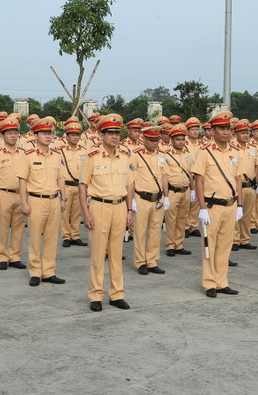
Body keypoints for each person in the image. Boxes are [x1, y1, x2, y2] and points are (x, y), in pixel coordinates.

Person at [79, 114, 134, 311]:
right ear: (101, 134)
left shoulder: (125, 157)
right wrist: (86, 213)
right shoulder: (92, 157)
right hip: (99, 206)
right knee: (98, 253)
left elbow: (129, 185)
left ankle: (116, 294)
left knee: (117, 254)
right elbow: (83, 186)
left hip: (119, 207)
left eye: (117, 133)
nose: (114, 136)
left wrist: (129, 209)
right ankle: (95, 295)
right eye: (110, 133)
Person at [192, 111, 242, 297]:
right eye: (221, 128)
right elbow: (199, 180)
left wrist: (240, 205)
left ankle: (222, 282)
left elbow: (238, 180)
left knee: (225, 246)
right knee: (209, 245)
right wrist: (202, 207)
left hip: (230, 205)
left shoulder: (235, 152)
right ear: (212, 131)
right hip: (211, 207)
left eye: (228, 128)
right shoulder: (205, 152)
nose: (226, 132)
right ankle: (209, 282)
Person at [18, 116, 68, 287]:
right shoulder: (28, 156)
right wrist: (24, 202)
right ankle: (35, 271)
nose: (48, 136)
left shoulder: (56, 155)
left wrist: (63, 197)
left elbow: (61, 178)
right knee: (34, 238)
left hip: (54, 200)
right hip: (36, 200)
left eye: (51, 133)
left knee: (52, 238)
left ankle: (49, 271)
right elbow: (22, 181)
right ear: (36, 135)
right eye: (44, 133)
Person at [0, 115, 27, 271]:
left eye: (15, 133)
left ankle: (15, 256)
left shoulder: (24, 153)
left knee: (18, 227)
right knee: (3, 227)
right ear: (2, 136)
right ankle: (2, 257)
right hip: (4, 194)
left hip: (20, 194)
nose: (13, 136)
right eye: (9, 133)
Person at [130, 126, 169, 274]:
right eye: (151, 140)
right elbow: (131, 178)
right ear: (144, 138)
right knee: (140, 232)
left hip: (157, 198)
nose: (154, 143)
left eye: (156, 140)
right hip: (141, 197)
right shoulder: (135, 155)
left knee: (155, 231)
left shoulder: (162, 155)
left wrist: (167, 196)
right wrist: (132, 198)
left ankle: (152, 260)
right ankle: (140, 262)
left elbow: (165, 176)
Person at [163, 123, 194, 256]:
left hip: (185, 190)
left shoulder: (188, 155)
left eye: (183, 139)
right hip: (172, 191)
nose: (181, 142)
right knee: (171, 219)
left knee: (182, 218)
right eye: (178, 139)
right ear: (172, 140)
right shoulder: (166, 155)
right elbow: (164, 177)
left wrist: (193, 190)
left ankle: (179, 243)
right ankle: (170, 245)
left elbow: (191, 173)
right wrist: (165, 196)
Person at [231, 119, 258, 251]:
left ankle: (244, 239)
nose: (246, 135)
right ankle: (234, 239)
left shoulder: (253, 149)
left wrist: (257, 182)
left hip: (250, 186)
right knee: (236, 214)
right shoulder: (231, 148)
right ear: (235, 133)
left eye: (247, 132)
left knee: (247, 214)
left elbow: (256, 167)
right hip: (238, 186)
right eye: (242, 133)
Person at [60, 120, 87, 247]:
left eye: (77, 135)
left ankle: (75, 235)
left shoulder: (84, 151)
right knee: (65, 212)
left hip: (79, 185)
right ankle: (66, 236)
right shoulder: (60, 151)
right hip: (65, 185)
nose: (75, 137)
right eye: (72, 135)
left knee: (77, 212)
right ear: (67, 136)